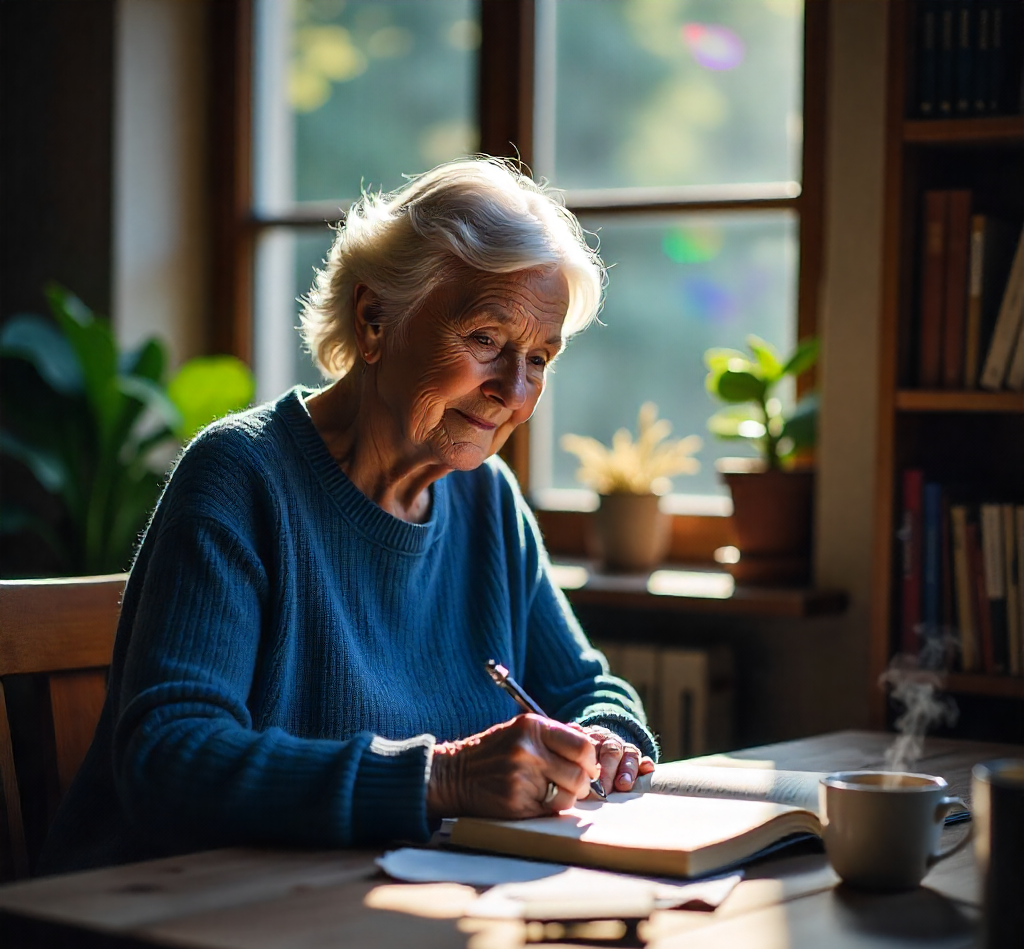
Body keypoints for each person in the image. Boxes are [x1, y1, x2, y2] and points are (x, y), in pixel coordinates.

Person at [40, 157, 657, 874]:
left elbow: (586, 688)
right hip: (162, 909)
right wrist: (443, 778)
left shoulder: (487, 500)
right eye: (486, 340)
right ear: (374, 320)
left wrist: (606, 738)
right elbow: (170, 758)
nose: (513, 393)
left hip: (371, 893)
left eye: (540, 358)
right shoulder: (242, 476)